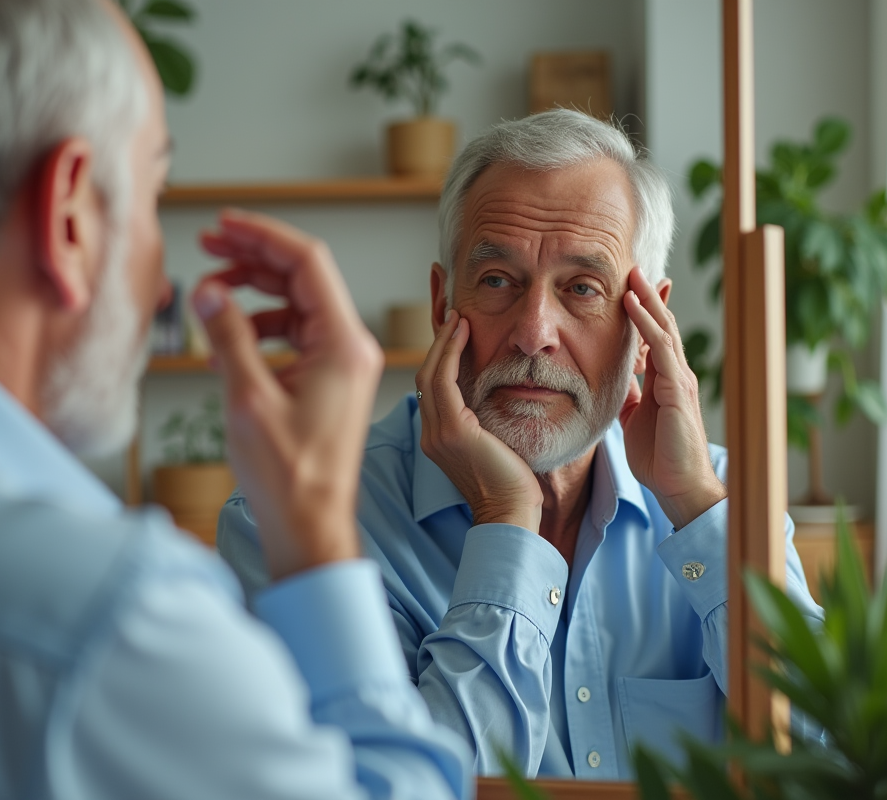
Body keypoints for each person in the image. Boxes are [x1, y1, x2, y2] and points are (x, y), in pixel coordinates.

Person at [0, 1, 471, 798]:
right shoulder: (112, 624)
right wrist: (319, 535)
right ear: (70, 218)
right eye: (154, 194)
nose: (160, 287)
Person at [218, 109, 825, 780]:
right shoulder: (292, 527)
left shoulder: (722, 504)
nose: (534, 332)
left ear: (647, 324)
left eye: (583, 288)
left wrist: (698, 506)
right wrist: (506, 520)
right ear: (441, 304)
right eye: (497, 281)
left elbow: (833, 761)